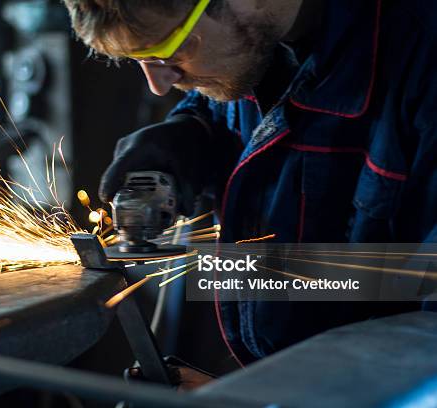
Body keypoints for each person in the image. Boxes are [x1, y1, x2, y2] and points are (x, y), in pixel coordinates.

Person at [63, 0, 437, 365]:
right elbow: (226, 108)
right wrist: (195, 132)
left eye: (168, 51)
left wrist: (240, 272)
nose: (160, 85)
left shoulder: (420, 58)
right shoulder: (256, 43)